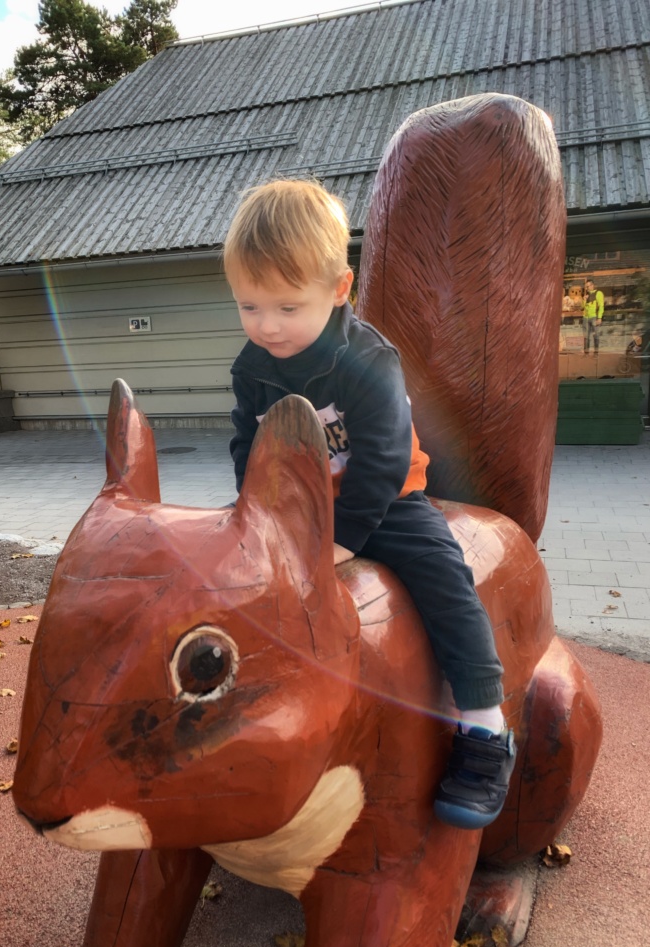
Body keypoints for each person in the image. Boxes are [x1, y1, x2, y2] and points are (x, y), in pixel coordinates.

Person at [223, 179, 516, 831]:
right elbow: (249, 441)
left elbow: (382, 458)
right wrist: (254, 511)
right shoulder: (254, 365)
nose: (267, 325)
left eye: (286, 306)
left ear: (338, 289)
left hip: (385, 503)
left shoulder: (366, 361)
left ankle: (485, 733)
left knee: (447, 584)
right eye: (249, 305)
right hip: (301, 503)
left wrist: (345, 539)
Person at [582, 279, 604, 354]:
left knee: (596, 336)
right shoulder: (586, 296)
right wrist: (584, 300)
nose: (586, 288)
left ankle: (596, 353)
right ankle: (586, 353)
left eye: (587, 286)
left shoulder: (598, 293)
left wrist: (599, 317)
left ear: (592, 285)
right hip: (586, 317)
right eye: (585, 287)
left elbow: (601, 306)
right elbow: (583, 307)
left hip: (594, 317)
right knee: (586, 337)